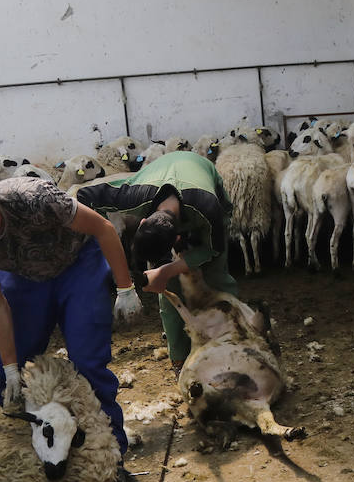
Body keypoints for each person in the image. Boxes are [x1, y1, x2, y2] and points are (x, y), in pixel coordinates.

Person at [0, 178, 141, 453]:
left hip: (78, 264)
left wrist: (125, 287)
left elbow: (103, 228)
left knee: (88, 363)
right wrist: (11, 367)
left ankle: (109, 454)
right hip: (23, 277)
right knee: (8, 373)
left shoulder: (32, 197)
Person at [75, 150, 236, 376]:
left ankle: (234, 341)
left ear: (177, 238)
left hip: (200, 189)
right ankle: (179, 359)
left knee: (217, 278)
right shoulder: (130, 196)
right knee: (168, 290)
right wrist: (103, 234)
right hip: (160, 181)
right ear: (141, 222)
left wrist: (167, 269)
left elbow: (214, 248)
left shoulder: (208, 207)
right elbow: (84, 195)